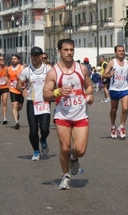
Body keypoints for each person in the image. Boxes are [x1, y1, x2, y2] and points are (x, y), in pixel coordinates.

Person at [43, 39, 94, 190]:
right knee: (64, 147)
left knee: (80, 150)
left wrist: (89, 95)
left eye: (71, 49)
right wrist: (58, 92)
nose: (69, 52)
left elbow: (89, 86)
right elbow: (46, 95)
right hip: (62, 115)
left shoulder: (82, 69)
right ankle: (65, 176)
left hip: (80, 114)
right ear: (59, 51)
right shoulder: (54, 72)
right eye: (66, 50)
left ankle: (74, 157)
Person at [18, 47, 52, 161]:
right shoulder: (27, 70)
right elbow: (19, 82)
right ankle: (36, 151)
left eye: (36, 55)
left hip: (44, 102)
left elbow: (56, 81)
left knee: (45, 129)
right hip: (32, 102)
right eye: (32, 55)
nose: (34, 58)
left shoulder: (48, 69)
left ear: (41, 56)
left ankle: (43, 139)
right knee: (33, 130)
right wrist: (22, 89)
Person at [102, 45, 128, 139]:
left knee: (125, 108)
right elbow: (103, 75)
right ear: (115, 52)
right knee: (114, 110)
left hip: (124, 89)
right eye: (119, 51)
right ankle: (113, 126)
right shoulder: (112, 62)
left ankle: (121, 126)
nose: (121, 52)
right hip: (114, 89)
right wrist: (109, 75)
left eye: (122, 51)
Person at [7, 54, 24, 129]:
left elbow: (26, 77)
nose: (13, 60)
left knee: (19, 107)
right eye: (12, 59)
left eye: (15, 59)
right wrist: (8, 85)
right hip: (12, 89)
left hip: (21, 89)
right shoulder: (9, 68)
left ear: (18, 60)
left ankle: (17, 113)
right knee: (14, 105)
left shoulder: (22, 67)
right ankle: (16, 122)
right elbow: (6, 77)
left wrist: (19, 77)